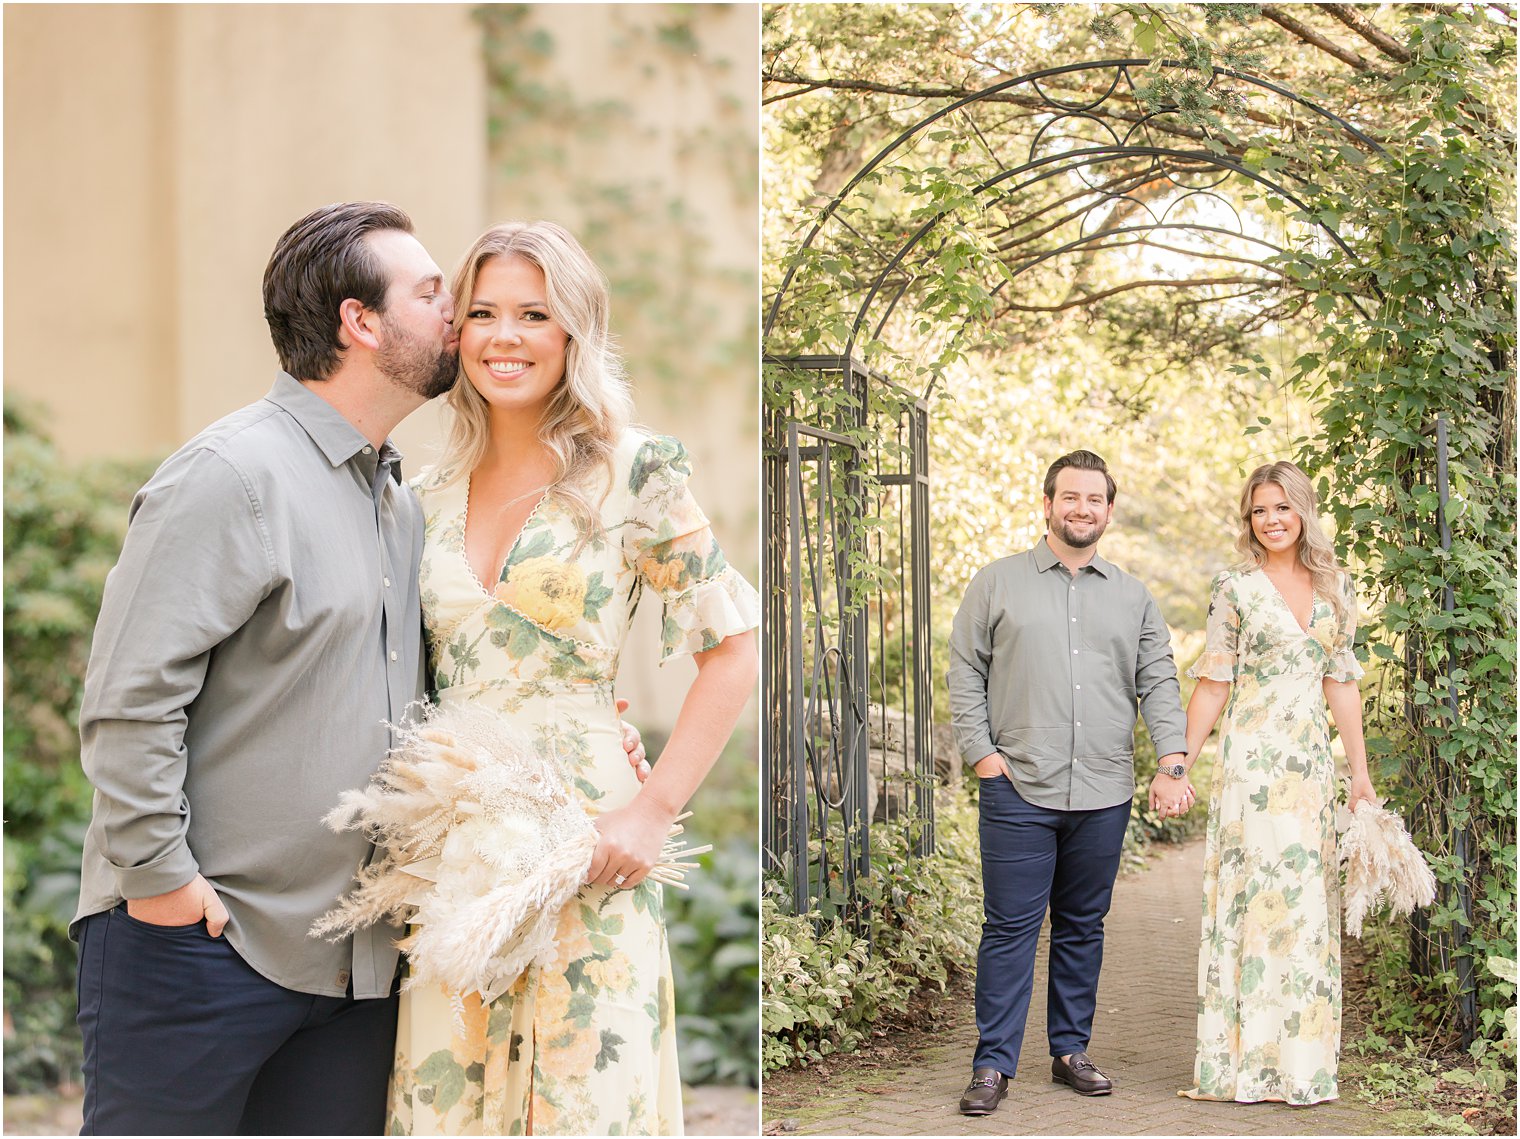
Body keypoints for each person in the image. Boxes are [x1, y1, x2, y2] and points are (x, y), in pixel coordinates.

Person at [70, 202, 649, 1136]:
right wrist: (161, 883)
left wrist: (583, 722)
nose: (459, 319)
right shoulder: (232, 474)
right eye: (433, 295)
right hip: (201, 946)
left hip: (353, 972)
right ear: (361, 322)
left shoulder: (400, 500)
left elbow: (435, 691)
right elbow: (127, 700)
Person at [387, 221, 758, 1135]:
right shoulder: (417, 496)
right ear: (456, 333)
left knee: (583, 1097)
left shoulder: (636, 472)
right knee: (447, 1100)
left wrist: (652, 808)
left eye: (532, 314)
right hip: (455, 841)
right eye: (481, 313)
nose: (503, 336)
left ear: (573, 333)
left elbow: (734, 648)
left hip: (590, 833)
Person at [948, 449, 1192, 1116]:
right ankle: (993, 1063)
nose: (1081, 508)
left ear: (1109, 509)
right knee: (1009, 929)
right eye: (1069, 496)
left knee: (1083, 925)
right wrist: (982, 756)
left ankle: (1068, 1051)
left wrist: (1173, 758)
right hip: (1017, 787)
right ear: (1048, 503)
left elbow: (1159, 683)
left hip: (1105, 791)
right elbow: (965, 671)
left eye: (1094, 498)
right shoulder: (996, 584)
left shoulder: (1133, 596)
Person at [1169, 461, 1375, 1106]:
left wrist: (1359, 776)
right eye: (1260, 510)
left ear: (1305, 511)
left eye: (1282, 507)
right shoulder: (1234, 585)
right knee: (1253, 908)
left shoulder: (1336, 586)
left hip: (1310, 768)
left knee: (1306, 913)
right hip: (1252, 769)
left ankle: (1302, 1066)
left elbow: (1341, 685)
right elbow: (1213, 684)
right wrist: (1177, 761)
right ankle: (1241, 1067)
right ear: (1249, 519)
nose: (1272, 520)